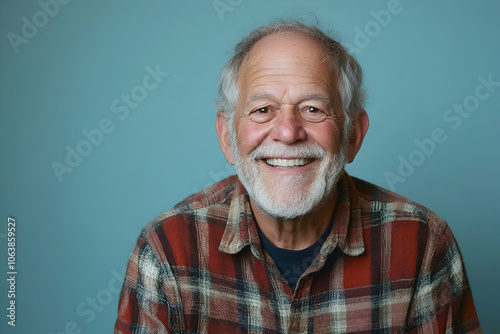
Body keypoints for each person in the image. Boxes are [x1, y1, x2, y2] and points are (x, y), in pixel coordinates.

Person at [114, 20, 480, 333]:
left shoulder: (421, 245)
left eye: (312, 108)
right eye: (262, 109)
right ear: (228, 137)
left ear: (353, 135)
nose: (288, 132)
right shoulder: (167, 250)